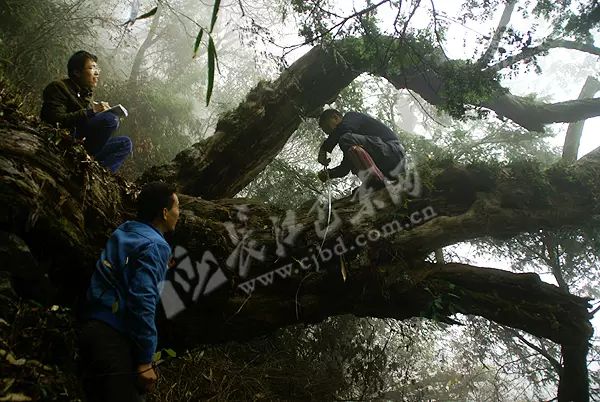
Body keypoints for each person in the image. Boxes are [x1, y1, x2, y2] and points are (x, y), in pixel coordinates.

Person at [78, 182, 180, 402]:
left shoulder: (125, 229)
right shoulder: (158, 246)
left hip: (90, 325)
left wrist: (161, 267)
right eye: (177, 208)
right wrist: (145, 359)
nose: (178, 214)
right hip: (113, 338)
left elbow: (125, 271)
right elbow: (143, 299)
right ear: (164, 212)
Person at [40, 50, 132, 172]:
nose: (97, 73)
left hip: (84, 142)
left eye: (97, 68)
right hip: (66, 139)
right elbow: (55, 119)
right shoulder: (58, 87)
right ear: (77, 72)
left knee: (125, 143)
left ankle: (101, 173)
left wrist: (100, 112)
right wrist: (93, 111)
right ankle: (83, 157)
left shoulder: (86, 93)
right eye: (92, 68)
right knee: (110, 119)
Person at [317, 109, 406, 189]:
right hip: (387, 168)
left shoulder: (350, 117)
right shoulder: (352, 145)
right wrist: (329, 174)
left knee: (345, 138)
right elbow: (345, 168)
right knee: (352, 155)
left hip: (393, 152)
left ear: (335, 117)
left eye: (329, 129)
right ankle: (374, 183)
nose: (331, 135)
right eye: (328, 134)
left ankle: (375, 181)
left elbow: (343, 129)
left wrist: (325, 148)